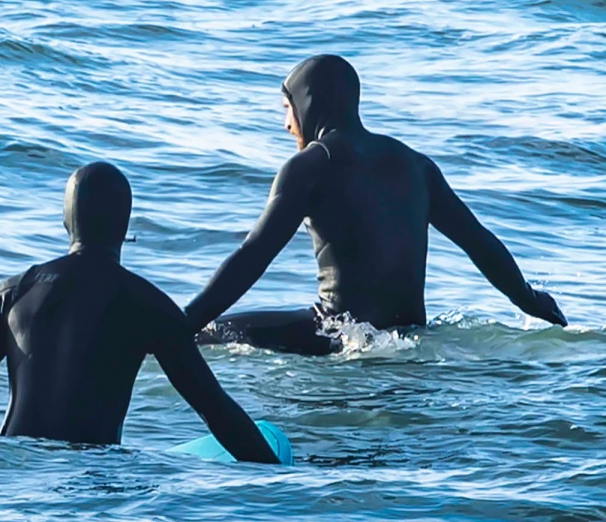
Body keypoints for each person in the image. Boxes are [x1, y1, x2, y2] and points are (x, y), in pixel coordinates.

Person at [185, 54, 567, 355]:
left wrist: (184, 321)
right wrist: (530, 299)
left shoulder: (310, 166)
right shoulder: (416, 165)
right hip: (409, 334)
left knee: (211, 334)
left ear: (308, 102)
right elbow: (478, 241)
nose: (286, 124)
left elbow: (253, 255)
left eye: (286, 108)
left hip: (342, 334)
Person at [0, 162, 280, 464]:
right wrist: (280, 478)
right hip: (94, 480)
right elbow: (216, 411)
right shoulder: (149, 305)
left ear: (66, 220)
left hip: (15, 474)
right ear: (125, 226)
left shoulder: (14, 292)